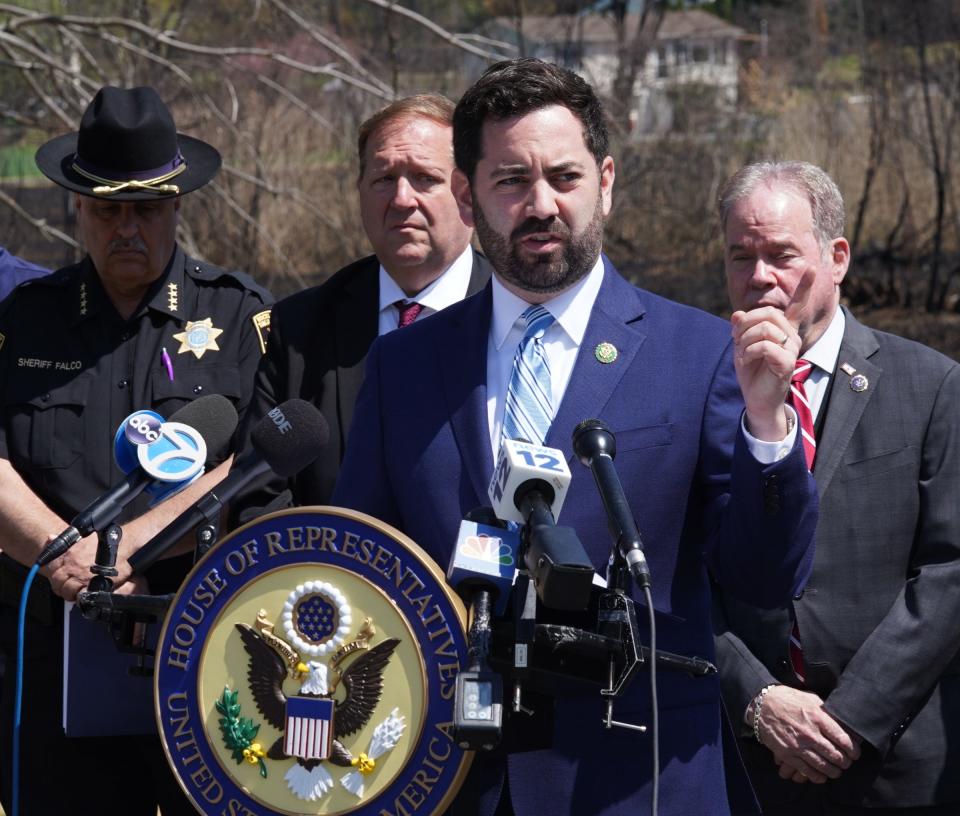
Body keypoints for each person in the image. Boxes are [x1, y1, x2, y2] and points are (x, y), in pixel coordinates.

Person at [332, 59, 817, 816]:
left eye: (565, 177)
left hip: (637, 780)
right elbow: (364, 569)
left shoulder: (698, 355)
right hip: (451, 782)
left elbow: (764, 581)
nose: (542, 205)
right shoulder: (404, 365)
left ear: (608, 181)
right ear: (467, 194)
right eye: (511, 181)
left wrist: (767, 426)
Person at [0, 86, 272, 815]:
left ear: (178, 208)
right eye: (109, 210)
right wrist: (62, 554)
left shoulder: (241, 316)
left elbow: (254, 470)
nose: (128, 228)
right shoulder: (24, 321)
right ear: (77, 209)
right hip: (53, 656)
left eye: (147, 210)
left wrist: (126, 558)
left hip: (201, 653)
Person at [713, 160, 960, 814]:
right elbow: (674, 572)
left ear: (837, 257)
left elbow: (948, 572)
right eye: (742, 256)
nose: (760, 276)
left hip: (891, 764)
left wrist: (851, 718)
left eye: (782, 254)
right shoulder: (694, 392)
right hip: (740, 761)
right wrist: (757, 698)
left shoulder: (931, 386)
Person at [232, 93, 490, 518]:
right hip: (331, 575)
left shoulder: (517, 317)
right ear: (360, 191)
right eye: (384, 179)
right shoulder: (299, 329)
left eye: (425, 178)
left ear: (468, 193)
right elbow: (256, 497)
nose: (402, 198)